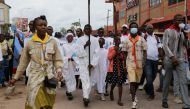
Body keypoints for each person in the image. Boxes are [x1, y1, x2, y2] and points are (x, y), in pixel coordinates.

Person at [9, 15, 63, 109]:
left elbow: (58, 59)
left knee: (48, 103)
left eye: (45, 24)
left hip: (49, 77)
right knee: (33, 102)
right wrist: (16, 77)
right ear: (35, 27)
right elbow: (23, 63)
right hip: (34, 78)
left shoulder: (52, 41)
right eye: (40, 25)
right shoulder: (30, 43)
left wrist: (59, 70)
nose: (43, 27)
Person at [162, 14, 190, 109]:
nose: (180, 22)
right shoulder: (168, 31)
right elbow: (165, 45)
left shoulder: (183, 32)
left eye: (182, 20)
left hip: (181, 59)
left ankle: (186, 105)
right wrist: (172, 57)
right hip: (169, 60)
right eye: (178, 20)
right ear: (174, 21)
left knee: (184, 81)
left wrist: (186, 35)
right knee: (167, 81)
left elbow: (187, 46)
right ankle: (164, 100)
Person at [124, 22, 147, 109]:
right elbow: (125, 52)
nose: (134, 28)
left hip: (139, 63)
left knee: (137, 82)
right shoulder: (126, 40)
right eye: (132, 27)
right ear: (130, 29)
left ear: (137, 29)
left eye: (135, 27)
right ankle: (134, 101)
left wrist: (144, 61)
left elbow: (145, 51)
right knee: (132, 82)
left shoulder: (142, 39)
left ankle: (134, 93)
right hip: (130, 63)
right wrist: (124, 65)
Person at [76, 24, 99, 107]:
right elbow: (78, 53)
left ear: (91, 30)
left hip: (91, 64)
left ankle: (86, 95)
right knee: (84, 80)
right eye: (86, 29)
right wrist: (85, 45)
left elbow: (97, 53)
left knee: (90, 80)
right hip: (83, 63)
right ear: (83, 30)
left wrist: (92, 63)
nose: (87, 30)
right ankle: (86, 97)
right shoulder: (79, 40)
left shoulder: (95, 40)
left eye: (89, 28)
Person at [143, 24, 162, 101]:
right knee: (149, 77)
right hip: (147, 60)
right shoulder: (144, 37)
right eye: (148, 28)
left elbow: (160, 48)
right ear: (146, 29)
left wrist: (161, 57)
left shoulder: (157, 38)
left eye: (151, 28)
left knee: (154, 76)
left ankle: (146, 87)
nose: (150, 29)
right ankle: (151, 94)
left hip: (155, 60)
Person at [106, 36, 126, 106]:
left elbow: (123, 58)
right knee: (114, 83)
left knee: (120, 84)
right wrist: (115, 51)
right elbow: (109, 57)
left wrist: (120, 55)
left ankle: (119, 100)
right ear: (114, 41)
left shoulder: (122, 49)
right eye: (116, 40)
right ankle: (111, 91)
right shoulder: (111, 48)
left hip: (120, 68)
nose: (118, 41)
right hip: (113, 68)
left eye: (119, 39)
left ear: (120, 41)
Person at [62, 33, 77, 100]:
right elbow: (62, 55)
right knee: (67, 77)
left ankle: (69, 91)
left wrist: (74, 58)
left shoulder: (75, 45)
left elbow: (77, 54)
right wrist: (67, 58)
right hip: (66, 64)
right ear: (66, 38)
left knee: (71, 78)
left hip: (72, 64)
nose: (70, 38)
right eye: (69, 37)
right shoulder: (63, 46)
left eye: (71, 37)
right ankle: (69, 91)